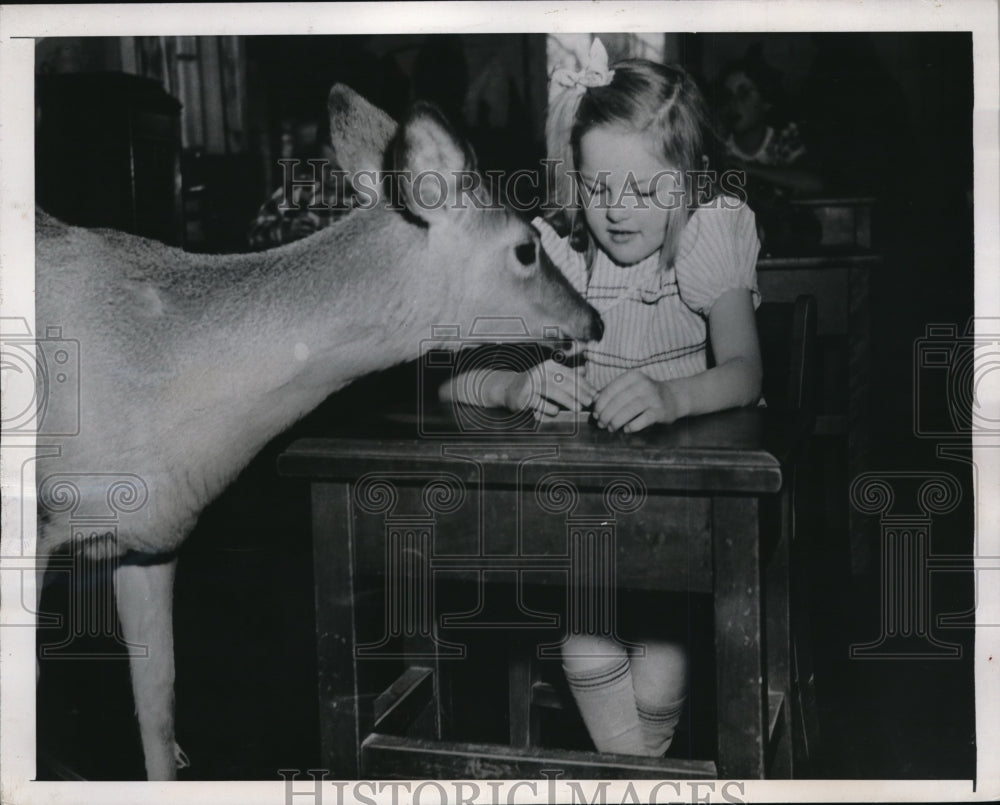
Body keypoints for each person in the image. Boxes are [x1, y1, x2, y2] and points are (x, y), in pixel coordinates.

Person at [440, 39, 763, 756]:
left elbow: (745, 372)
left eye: (647, 191)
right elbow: (458, 383)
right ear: (573, 179)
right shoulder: (557, 256)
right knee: (585, 649)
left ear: (687, 182)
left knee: (661, 666)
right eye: (597, 187)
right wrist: (520, 383)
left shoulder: (709, 239)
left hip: (683, 527)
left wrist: (672, 396)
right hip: (580, 529)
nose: (618, 212)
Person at [715, 45, 824, 198]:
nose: (733, 103)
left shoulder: (782, 138)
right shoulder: (720, 143)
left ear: (766, 101)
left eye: (744, 94)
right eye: (728, 95)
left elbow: (813, 183)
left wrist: (748, 170)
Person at [247, 116, 353, 250]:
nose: (331, 177)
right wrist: (286, 230)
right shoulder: (299, 191)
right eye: (325, 167)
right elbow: (254, 233)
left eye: (340, 171)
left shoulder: (365, 199)